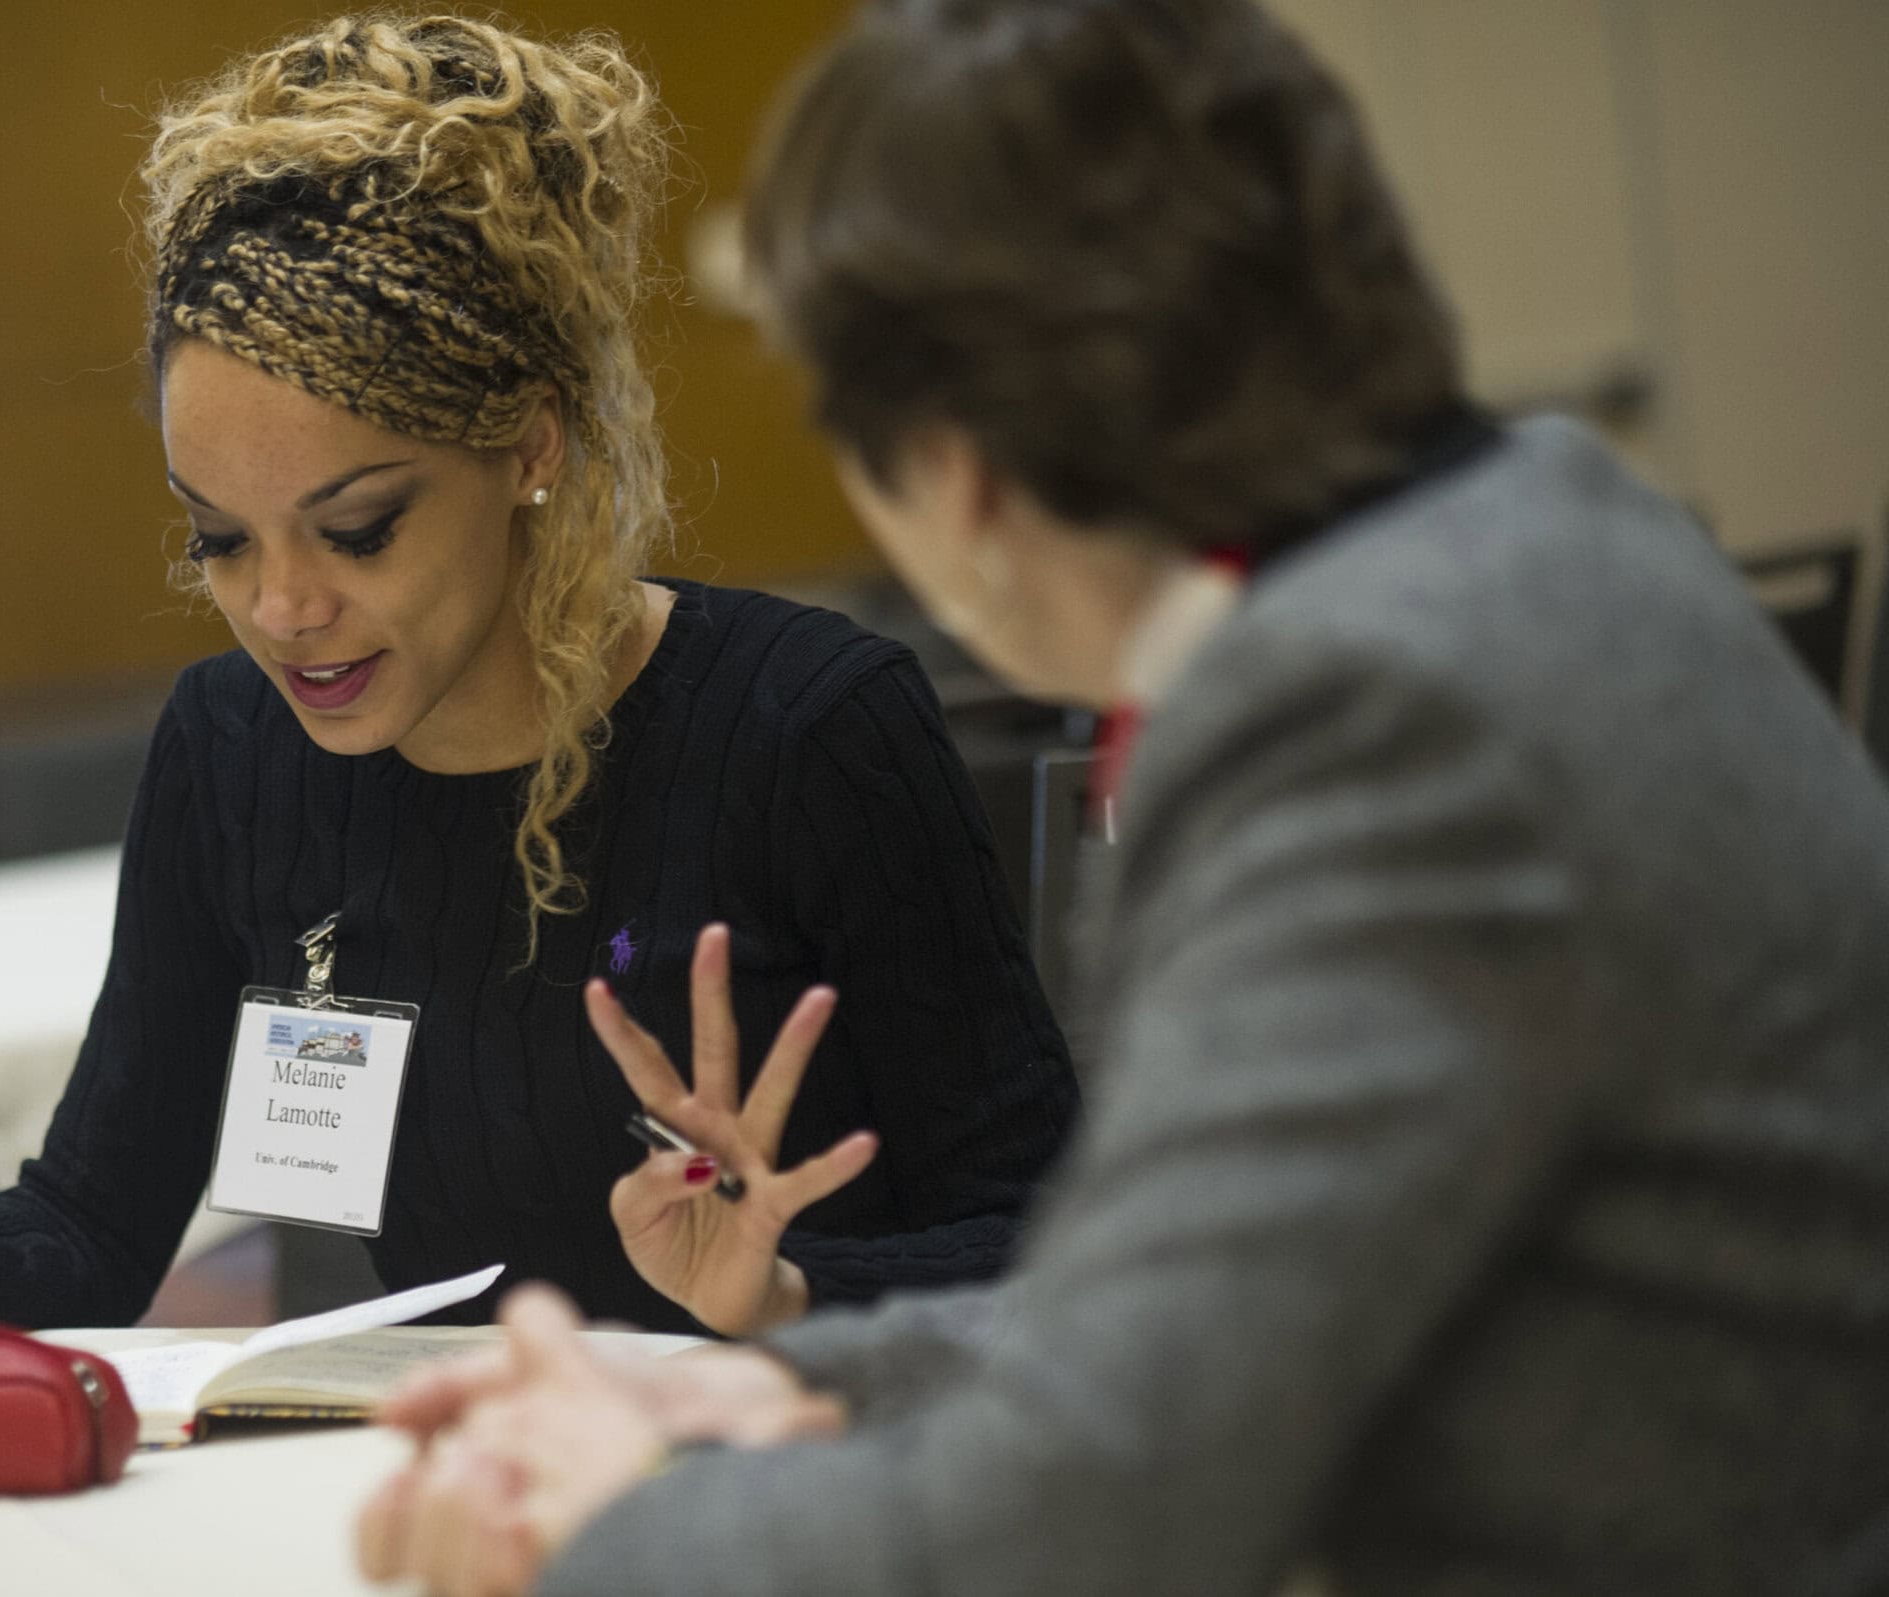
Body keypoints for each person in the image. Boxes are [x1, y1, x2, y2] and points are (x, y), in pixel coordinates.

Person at [352, 1, 1889, 1592]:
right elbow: (1209, 1322)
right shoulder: (1546, 535)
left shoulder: (1376, 720)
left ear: (959, 472)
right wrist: (776, 1380)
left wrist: (613, 1525)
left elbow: (1106, 1515)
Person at [0, 14, 1079, 1343]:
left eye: (360, 527)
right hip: (433, 1507)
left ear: (531, 444)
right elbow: (97, 1223)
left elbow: (1058, 1237)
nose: (286, 610)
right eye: (219, 542)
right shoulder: (233, 752)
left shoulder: (807, 729)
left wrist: (787, 1290)